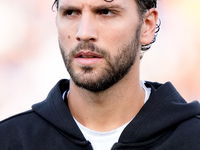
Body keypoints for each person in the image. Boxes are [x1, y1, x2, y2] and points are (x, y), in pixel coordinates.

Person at [0, 0, 200, 149]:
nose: (84, 32)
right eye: (70, 12)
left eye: (105, 12)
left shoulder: (192, 138)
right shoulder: (11, 140)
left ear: (147, 25)